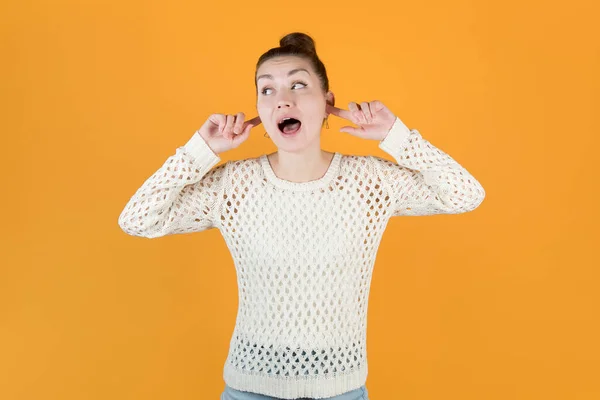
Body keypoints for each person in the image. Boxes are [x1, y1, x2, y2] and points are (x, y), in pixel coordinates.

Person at [118, 31, 485, 400]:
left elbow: (465, 194)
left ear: (327, 102)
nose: (282, 100)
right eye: (267, 90)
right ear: (259, 108)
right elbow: (137, 219)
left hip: (341, 389)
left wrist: (397, 136)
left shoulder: (370, 182)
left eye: (298, 85)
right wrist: (200, 150)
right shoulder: (233, 187)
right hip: (250, 388)